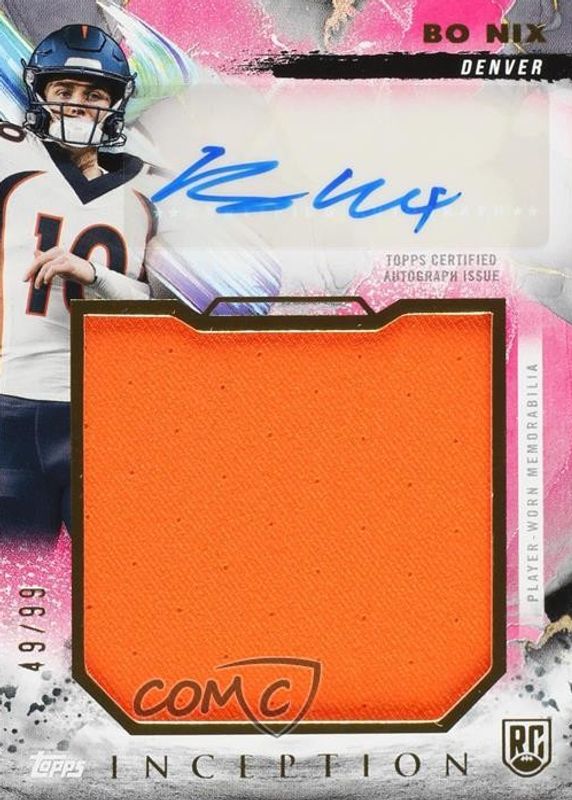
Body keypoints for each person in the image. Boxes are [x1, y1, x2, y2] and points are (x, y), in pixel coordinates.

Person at [0, 24, 157, 542]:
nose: (76, 104)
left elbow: (159, 309)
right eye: (63, 90)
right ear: (39, 94)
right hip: (10, 402)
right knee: (17, 575)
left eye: (93, 95)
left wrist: (94, 274)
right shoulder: (12, 161)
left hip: (104, 409)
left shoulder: (150, 189)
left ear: (114, 105)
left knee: (116, 568)